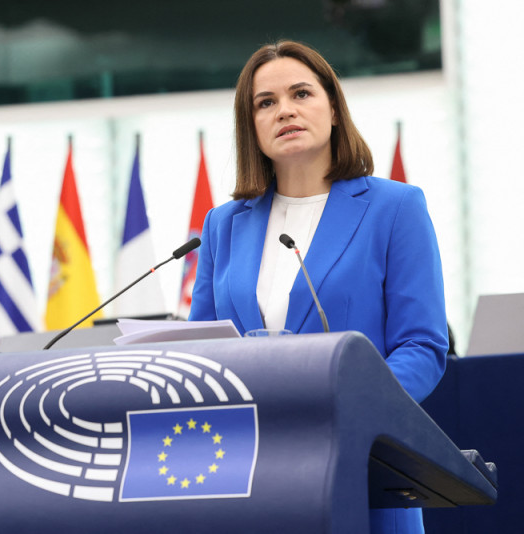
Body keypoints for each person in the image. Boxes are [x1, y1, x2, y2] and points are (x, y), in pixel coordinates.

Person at [188, 40, 448, 534]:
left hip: (365, 471)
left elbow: (422, 346)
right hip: (253, 477)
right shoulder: (223, 225)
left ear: (332, 108)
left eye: (301, 93)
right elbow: (200, 352)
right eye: (265, 103)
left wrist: (356, 411)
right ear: (253, 127)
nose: (284, 109)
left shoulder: (394, 207)